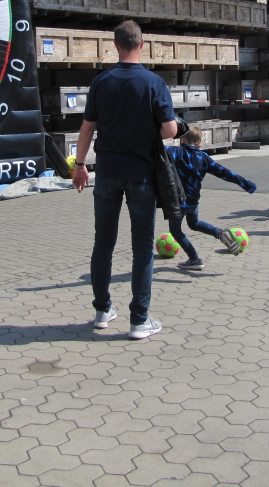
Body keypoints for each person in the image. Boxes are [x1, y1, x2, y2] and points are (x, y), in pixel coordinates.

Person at [73, 20, 177, 341]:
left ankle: (103, 310)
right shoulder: (153, 83)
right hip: (142, 174)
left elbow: (87, 129)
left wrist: (79, 166)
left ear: (115, 45)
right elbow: (170, 130)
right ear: (142, 44)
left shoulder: (100, 82)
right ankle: (139, 320)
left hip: (106, 171)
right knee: (143, 246)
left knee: (103, 242)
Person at [166, 126, 257, 270]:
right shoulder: (204, 158)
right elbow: (225, 173)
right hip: (193, 201)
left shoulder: (176, 152)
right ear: (200, 143)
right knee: (194, 223)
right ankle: (218, 233)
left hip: (178, 201)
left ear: (182, 140)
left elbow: (157, 148)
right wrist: (246, 184)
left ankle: (194, 259)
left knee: (175, 230)